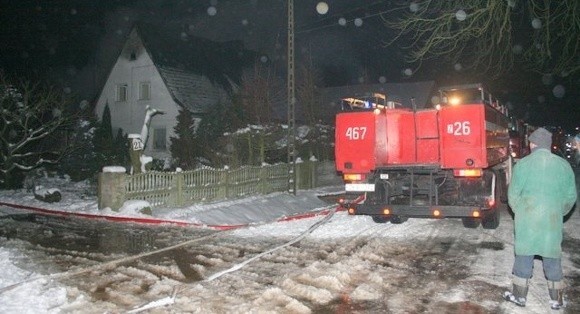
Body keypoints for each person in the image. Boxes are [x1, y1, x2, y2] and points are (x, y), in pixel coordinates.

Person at [504, 127, 577, 310]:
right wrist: (558, 212)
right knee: (552, 257)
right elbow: (570, 197)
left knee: (523, 257)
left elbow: (512, 195)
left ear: (533, 144)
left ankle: (519, 296)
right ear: (549, 145)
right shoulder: (563, 165)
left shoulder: (522, 165)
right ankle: (556, 299)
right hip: (551, 220)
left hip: (527, 219)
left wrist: (520, 210)